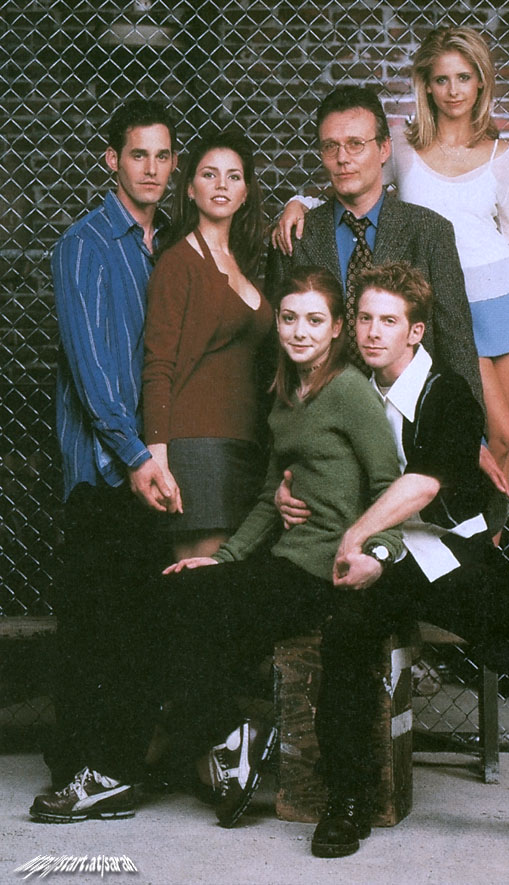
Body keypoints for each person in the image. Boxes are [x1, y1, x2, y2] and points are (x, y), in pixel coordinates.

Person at [307, 262, 509, 860]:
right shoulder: (347, 388)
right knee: (345, 637)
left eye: (389, 321)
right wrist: (296, 495)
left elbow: (426, 485)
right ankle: (348, 797)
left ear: (415, 332)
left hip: (447, 547)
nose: (373, 332)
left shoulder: (449, 393)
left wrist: (355, 534)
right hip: (383, 554)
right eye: (365, 319)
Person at [151, 266, 404, 829]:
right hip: (289, 562)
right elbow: (271, 495)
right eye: (289, 318)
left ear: (337, 328)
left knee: (202, 610)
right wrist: (222, 559)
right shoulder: (288, 394)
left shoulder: (349, 391)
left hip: (327, 571)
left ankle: (224, 739)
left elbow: (389, 484)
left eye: (314, 320)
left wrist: (376, 554)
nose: (299, 331)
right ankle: (230, 736)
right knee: (181, 589)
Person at [274, 28, 509, 515]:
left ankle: (484, 531)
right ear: (427, 85)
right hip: (417, 314)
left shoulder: (500, 159)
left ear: (481, 82)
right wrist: (300, 201)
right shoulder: (402, 148)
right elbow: (352, 178)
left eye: (464, 77)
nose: (454, 90)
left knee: (500, 435)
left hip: (496, 297)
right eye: (442, 79)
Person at [32, 98, 179, 820]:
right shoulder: (85, 243)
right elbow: (94, 372)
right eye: (137, 154)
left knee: (138, 625)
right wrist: (134, 455)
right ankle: (85, 768)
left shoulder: (171, 242)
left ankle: (114, 768)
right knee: (96, 629)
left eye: (162, 155)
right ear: (111, 160)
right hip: (106, 469)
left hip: (155, 467)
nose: (150, 168)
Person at [142, 129, 273, 562]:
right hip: (197, 446)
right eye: (209, 174)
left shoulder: (242, 261)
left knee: (231, 583)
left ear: (245, 193)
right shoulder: (178, 263)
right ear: (190, 188)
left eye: (233, 176)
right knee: (202, 585)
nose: (221, 185)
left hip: (245, 444)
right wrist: (157, 457)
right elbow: (158, 363)